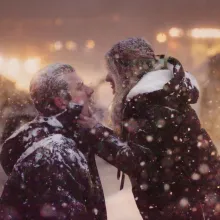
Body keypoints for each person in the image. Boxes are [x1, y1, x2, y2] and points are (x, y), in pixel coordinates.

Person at [80, 38, 220, 220]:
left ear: (127, 72)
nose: (107, 78)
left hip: (187, 210)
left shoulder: (154, 105)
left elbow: (138, 162)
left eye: (112, 71)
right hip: (191, 206)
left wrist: (96, 131)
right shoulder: (157, 100)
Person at [0, 64, 107, 220]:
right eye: (79, 87)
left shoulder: (60, 135)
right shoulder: (55, 151)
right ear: (61, 101)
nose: (90, 91)